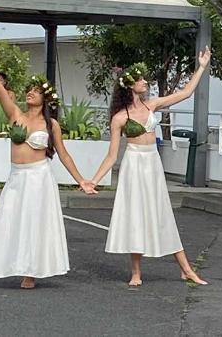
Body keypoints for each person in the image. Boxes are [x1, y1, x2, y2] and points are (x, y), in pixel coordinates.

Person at [0, 37, 96, 290]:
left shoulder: (50, 125)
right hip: (17, 177)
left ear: (45, 98)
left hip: (39, 177)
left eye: (36, 91)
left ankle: (30, 273)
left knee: (35, 224)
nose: (29, 93)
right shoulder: (16, 115)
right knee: (4, 220)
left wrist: (81, 180)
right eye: (29, 90)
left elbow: (63, 154)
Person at [87, 55, 211, 286]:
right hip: (133, 164)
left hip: (152, 162)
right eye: (141, 79)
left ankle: (186, 269)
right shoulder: (120, 117)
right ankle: (136, 273)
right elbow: (112, 155)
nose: (145, 82)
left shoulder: (151, 104)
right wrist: (93, 181)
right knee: (135, 214)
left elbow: (185, 94)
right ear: (130, 85)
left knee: (161, 212)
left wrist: (201, 67)